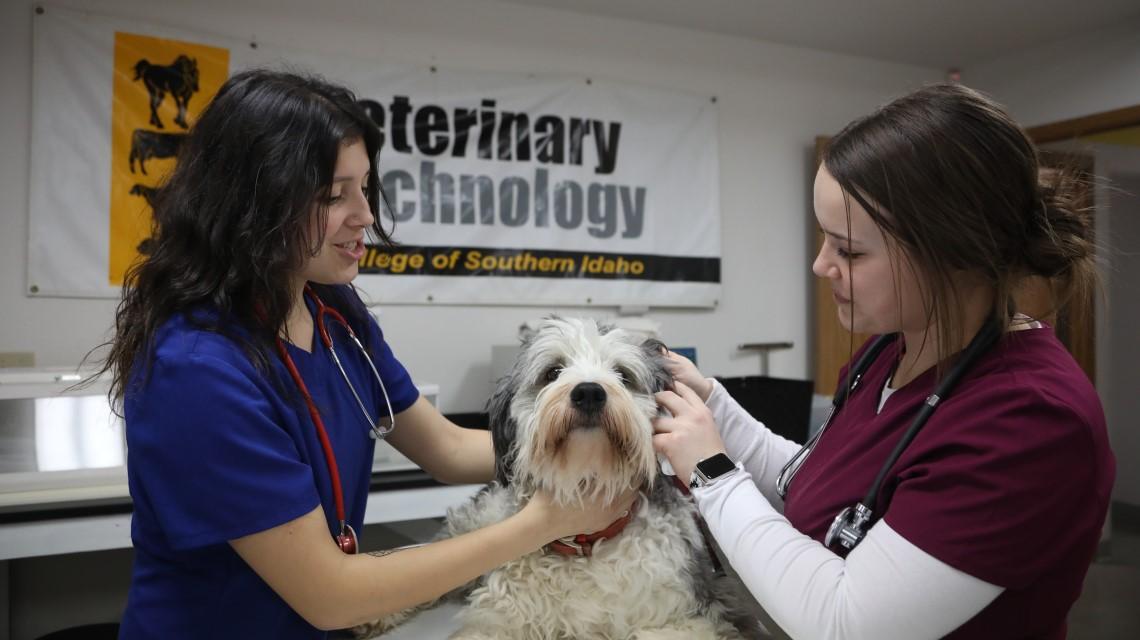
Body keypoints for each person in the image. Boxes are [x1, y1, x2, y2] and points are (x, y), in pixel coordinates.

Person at [96, 69, 636, 638]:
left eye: (365, 187)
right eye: (334, 196)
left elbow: (448, 449)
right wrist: (551, 520)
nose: (366, 216)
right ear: (251, 205)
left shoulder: (334, 314)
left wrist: (598, 442)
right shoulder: (197, 370)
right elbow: (332, 595)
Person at [652, 82, 1115, 640]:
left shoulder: (1028, 420)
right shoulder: (894, 349)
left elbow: (846, 622)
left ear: (954, 252)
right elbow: (824, 495)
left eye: (849, 250)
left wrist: (712, 474)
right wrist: (714, 407)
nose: (821, 266)